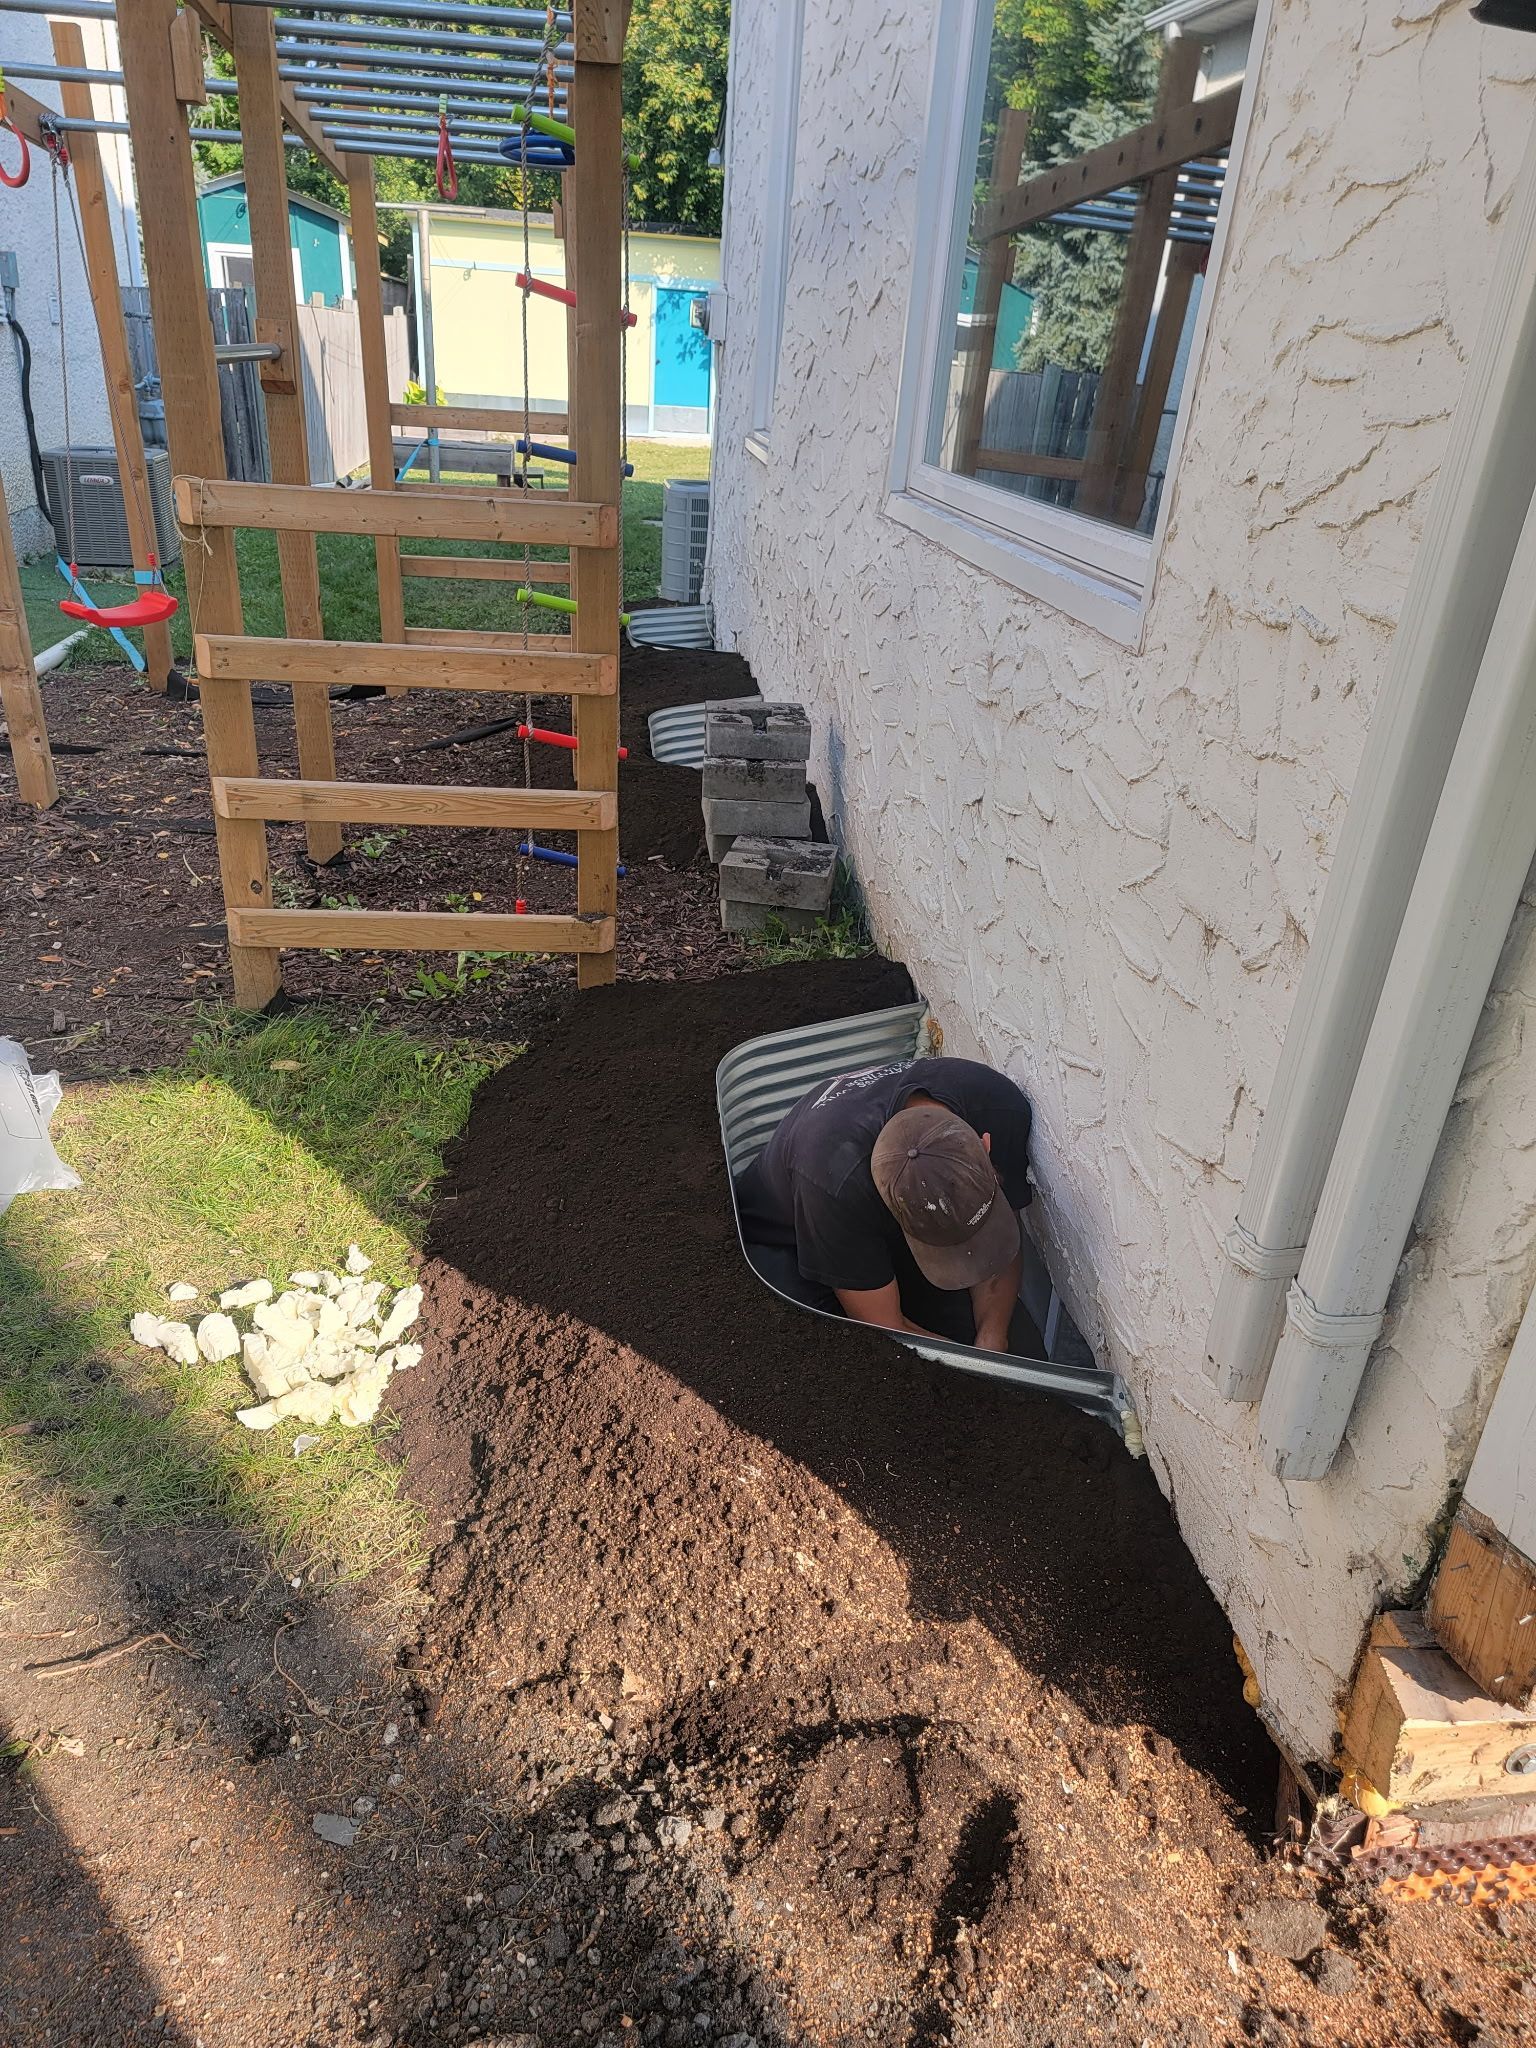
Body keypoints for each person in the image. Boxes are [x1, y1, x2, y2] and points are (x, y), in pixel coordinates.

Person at [735, 1055, 1038, 1355]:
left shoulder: (999, 1109)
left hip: (863, 1215)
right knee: (855, 1362)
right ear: (889, 1206)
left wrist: (992, 1341)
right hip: (784, 1243)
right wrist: (979, 1374)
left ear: (985, 1145)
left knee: (1020, 1346)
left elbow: (997, 1247)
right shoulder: (836, 1184)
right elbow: (886, 1328)